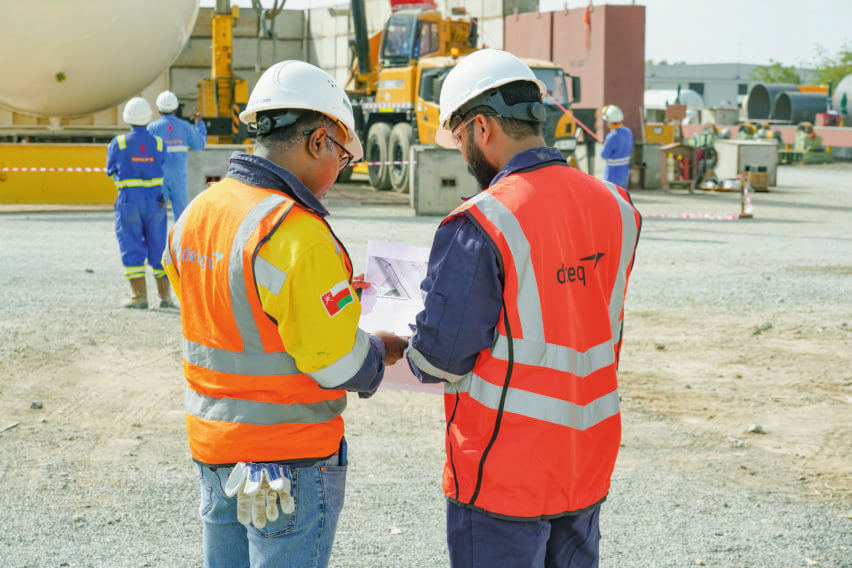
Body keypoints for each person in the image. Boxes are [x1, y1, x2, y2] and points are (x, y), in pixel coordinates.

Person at [162, 60, 408, 568]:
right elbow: (336, 362)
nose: (339, 170)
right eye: (342, 154)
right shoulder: (294, 232)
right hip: (287, 455)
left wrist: (318, 298)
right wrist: (378, 354)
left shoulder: (199, 211)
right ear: (318, 141)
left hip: (214, 447)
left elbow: (226, 304)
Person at [405, 49, 641, 568]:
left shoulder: (483, 220)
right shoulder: (617, 207)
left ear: (482, 128)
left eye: (461, 137)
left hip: (503, 473)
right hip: (585, 463)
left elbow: (439, 358)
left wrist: (403, 342)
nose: (463, 153)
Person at [106, 96, 173, 309]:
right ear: (148, 118)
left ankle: (139, 296)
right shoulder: (160, 143)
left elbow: (110, 170)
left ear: (127, 118)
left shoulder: (120, 143)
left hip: (130, 200)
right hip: (156, 201)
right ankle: (165, 297)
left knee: (131, 244)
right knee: (159, 244)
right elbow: (160, 163)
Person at [147, 90, 207, 222]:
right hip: (179, 178)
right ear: (176, 108)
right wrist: (199, 123)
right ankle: (179, 243)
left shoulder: (152, 128)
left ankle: (157, 242)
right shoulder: (185, 127)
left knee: (156, 218)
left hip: (158, 179)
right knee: (181, 218)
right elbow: (199, 144)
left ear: (158, 109)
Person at [599, 104, 633, 189]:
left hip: (613, 173)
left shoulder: (612, 136)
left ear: (610, 121)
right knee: (622, 196)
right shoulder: (628, 132)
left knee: (612, 196)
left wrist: (606, 144)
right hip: (624, 171)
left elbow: (604, 155)